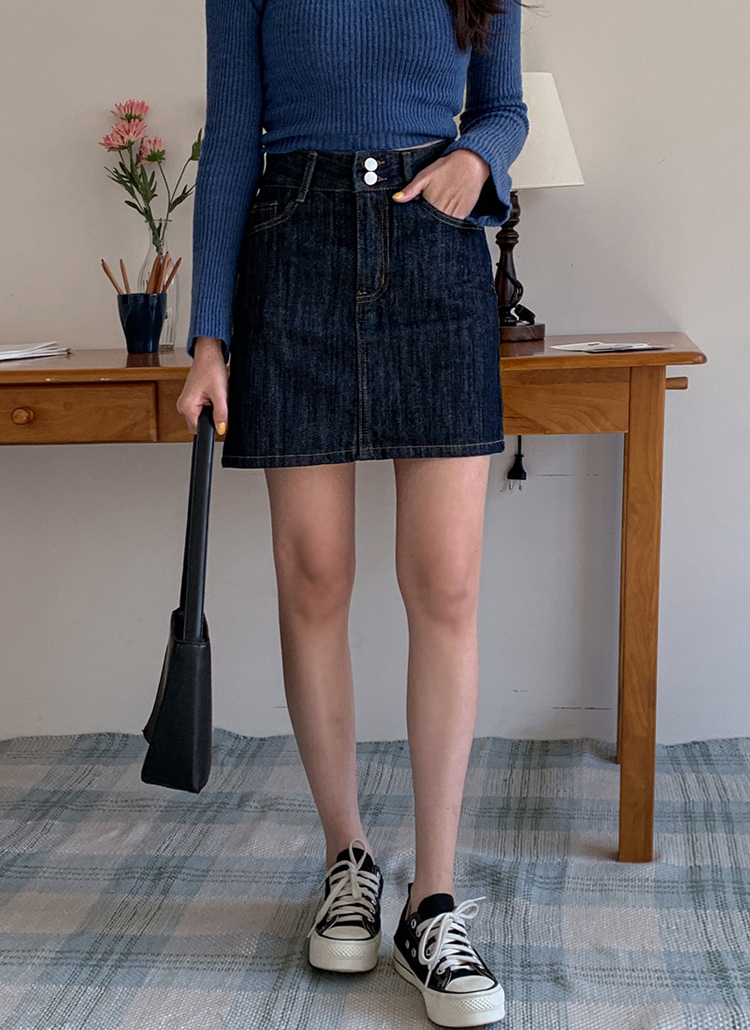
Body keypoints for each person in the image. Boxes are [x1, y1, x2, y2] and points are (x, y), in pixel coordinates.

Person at [177, 0, 529, 1024]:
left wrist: (476, 160)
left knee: (446, 585)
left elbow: (504, 107)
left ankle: (434, 902)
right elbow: (230, 136)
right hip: (293, 251)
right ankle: (348, 860)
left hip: (436, 254)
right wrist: (207, 338)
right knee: (315, 579)